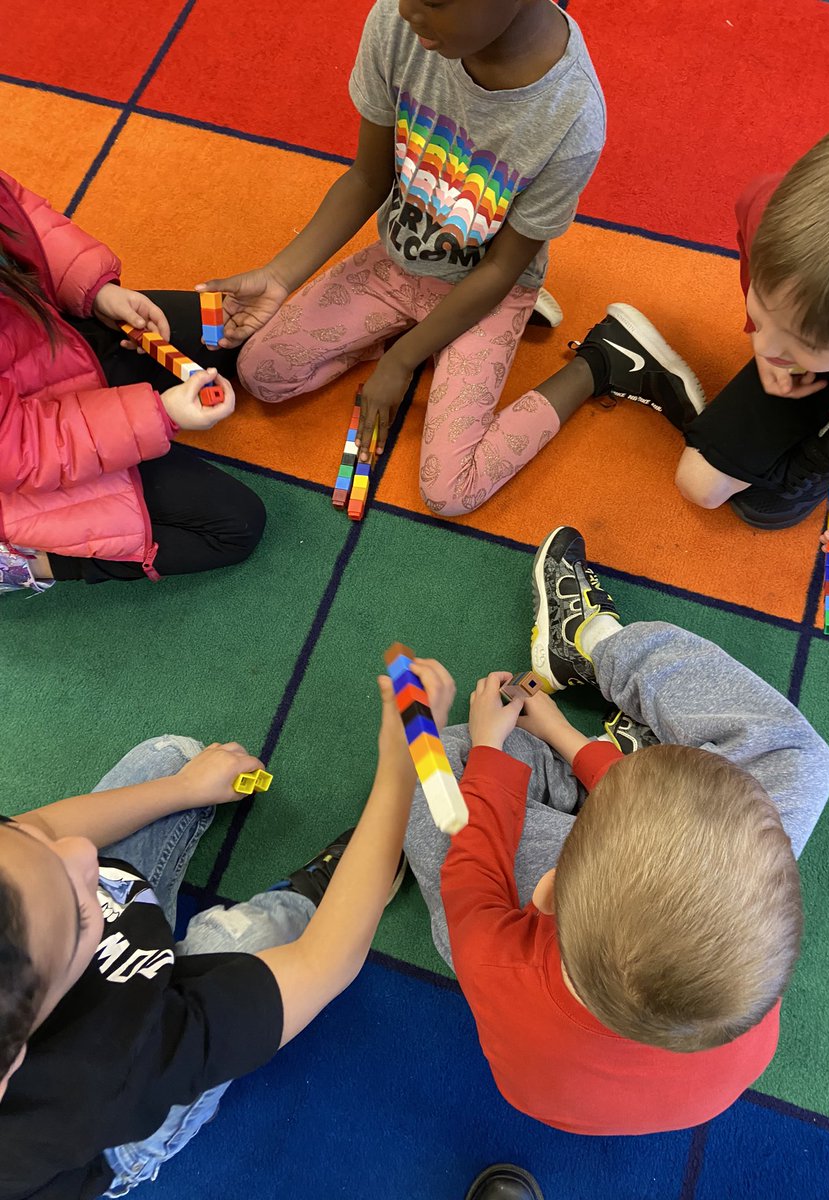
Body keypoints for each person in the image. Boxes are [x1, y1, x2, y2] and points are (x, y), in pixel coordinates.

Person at [404, 526, 829, 1135]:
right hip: (635, 924)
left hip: (523, 951)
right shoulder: (744, 996)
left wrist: (487, 746)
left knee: (431, 774)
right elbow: (674, 839)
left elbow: (471, 873)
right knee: (802, 764)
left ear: (548, 891)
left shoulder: (502, 967)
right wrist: (566, 737)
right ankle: (594, 659)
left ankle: (607, 701)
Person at [198, 0, 646, 516]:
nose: (408, 9)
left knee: (451, 492)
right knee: (261, 373)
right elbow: (368, 178)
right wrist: (280, 276)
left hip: (490, 289)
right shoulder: (396, 22)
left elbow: (502, 268)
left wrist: (402, 359)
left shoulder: (573, 118)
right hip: (400, 262)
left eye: (433, 0)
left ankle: (602, 361)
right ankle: (406, 330)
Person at [0, 667, 422, 1198]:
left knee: (168, 758)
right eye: (74, 909)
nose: (80, 850)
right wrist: (399, 773)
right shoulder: (111, 1074)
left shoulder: (43, 934)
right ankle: (314, 893)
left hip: (96, 967)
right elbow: (326, 962)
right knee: (254, 935)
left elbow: (44, 829)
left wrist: (182, 788)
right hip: (127, 1114)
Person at [566, 104, 829, 570]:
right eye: (763, 304)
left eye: (799, 341)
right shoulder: (772, 214)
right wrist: (775, 340)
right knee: (704, 488)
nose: (763, 346)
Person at [0, 169, 265, 594]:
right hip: (24, 461)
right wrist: (159, 414)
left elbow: (23, 218)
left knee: (223, 332)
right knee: (236, 525)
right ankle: (25, 563)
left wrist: (95, 291)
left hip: (48, 347)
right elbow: (21, 449)